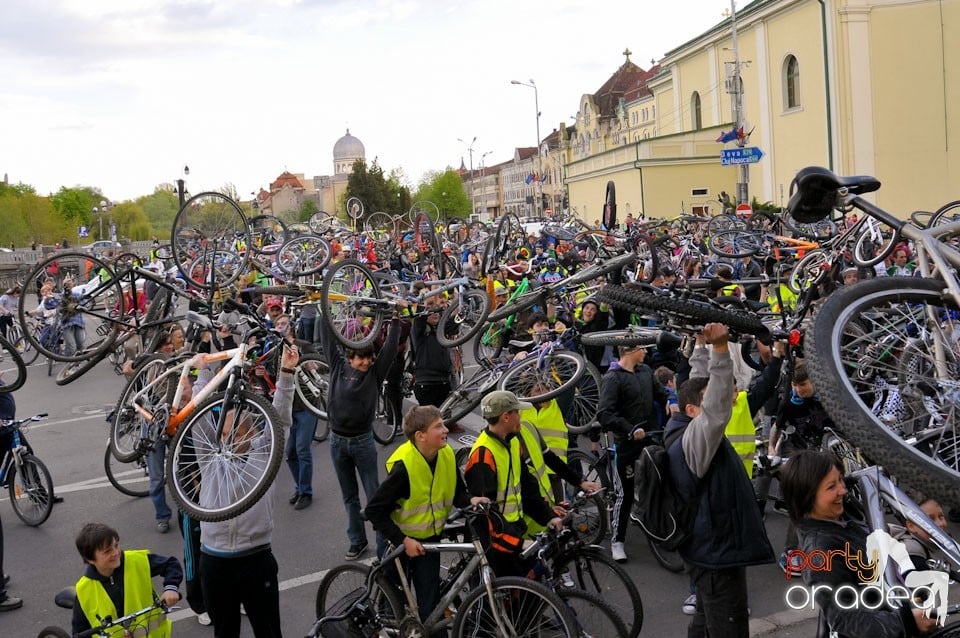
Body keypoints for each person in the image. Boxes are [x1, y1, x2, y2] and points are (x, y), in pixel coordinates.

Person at [665, 323, 775, 638]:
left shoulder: (682, 423)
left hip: (707, 550)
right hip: (716, 555)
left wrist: (700, 346)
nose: (720, 397)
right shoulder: (696, 436)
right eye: (708, 397)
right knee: (729, 626)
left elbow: (698, 385)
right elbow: (715, 409)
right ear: (691, 409)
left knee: (704, 620)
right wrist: (721, 350)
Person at [195, 341, 298, 637]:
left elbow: (281, 418)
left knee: (269, 632)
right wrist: (204, 373)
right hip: (214, 560)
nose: (226, 439)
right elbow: (199, 416)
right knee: (225, 632)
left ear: (251, 432)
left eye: (235, 432)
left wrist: (287, 375)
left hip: (256, 558)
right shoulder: (209, 454)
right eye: (223, 433)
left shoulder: (264, 453)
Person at [779, 450, 938, 637]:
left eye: (840, 479)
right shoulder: (820, 553)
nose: (843, 490)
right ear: (807, 497)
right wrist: (906, 621)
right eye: (831, 487)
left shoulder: (835, 518)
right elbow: (846, 620)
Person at [365, 405, 486, 620]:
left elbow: (457, 491)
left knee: (431, 606)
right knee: (394, 607)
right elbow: (374, 511)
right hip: (399, 543)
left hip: (428, 542)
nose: (446, 430)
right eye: (438, 426)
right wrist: (404, 541)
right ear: (421, 436)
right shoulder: (404, 467)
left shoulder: (447, 454)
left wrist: (470, 500)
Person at [319, 300, 406, 560]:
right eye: (361, 358)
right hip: (337, 442)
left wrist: (394, 320)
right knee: (350, 498)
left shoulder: (374, 374)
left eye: (369, 358)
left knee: (374, 498)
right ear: (349, 357)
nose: (366, 362)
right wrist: (323, 306)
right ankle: (356, 541)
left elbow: (390, 348)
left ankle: (383, 548)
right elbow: (327, 336)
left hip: (362, 441)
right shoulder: (337, 366)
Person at [464, 391, 563, 577]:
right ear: (505, 417)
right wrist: (517, 543)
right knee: (503, 600)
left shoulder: (512, 442)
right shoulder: (483, 455)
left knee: (530, 592)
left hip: (513, 530)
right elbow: (485, 517)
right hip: (496, 543)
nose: (521, 416)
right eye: (517, 412)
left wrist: (548, 516)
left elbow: (527, 487)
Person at [597, 343, 670, 563]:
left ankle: (656, 524)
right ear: (629, 351)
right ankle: (617, 541)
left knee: (659, 481)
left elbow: (661, 393)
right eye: (642, 348)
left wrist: (672, 401)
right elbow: (604, 414)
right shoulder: (613, 378)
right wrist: (629, 429)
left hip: (649, 438)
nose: (646, 352)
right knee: (624, 493)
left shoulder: (646, 371)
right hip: (626, 443)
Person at [72, 522, 182, 636]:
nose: (116, 553)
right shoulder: (84, 589)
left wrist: (171, 588)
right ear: (90, 559)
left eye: (116, 545)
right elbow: (79, 631)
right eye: (107, 551)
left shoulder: (136, 560)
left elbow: (170, 564)